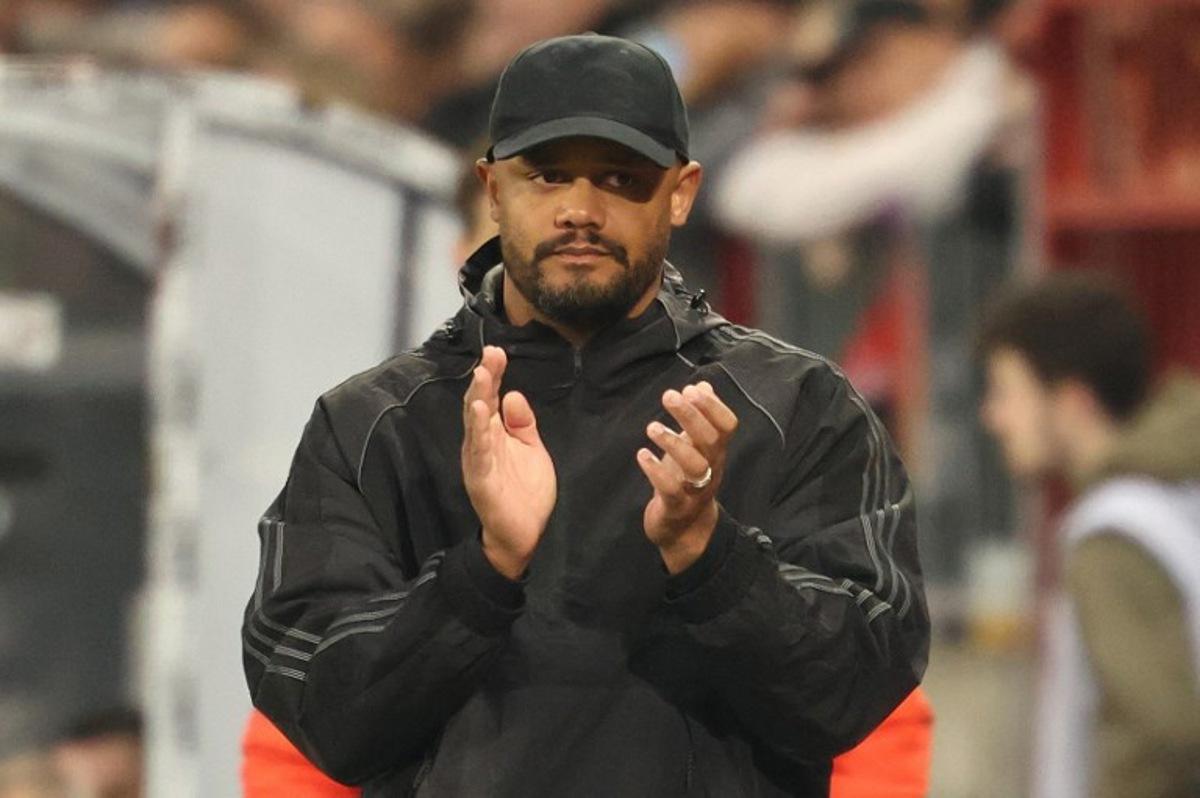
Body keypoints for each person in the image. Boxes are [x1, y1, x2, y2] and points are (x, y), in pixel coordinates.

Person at [243, 33, 928, 796]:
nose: (579, 210)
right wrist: (483, 569)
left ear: (682, 191)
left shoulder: (800, 408)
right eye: (546, 176)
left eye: (619, 178)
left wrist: (711, 554)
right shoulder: (370, 426)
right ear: (492, 189)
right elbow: (320, 713)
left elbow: (863, 691)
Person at [978, 274, 1200, 798]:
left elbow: (1160, 736)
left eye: (1007, 391)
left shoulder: (1114, 533)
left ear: (1073, 400)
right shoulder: (1178, 491)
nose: (993, 417)